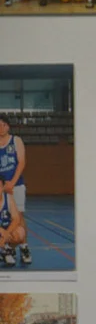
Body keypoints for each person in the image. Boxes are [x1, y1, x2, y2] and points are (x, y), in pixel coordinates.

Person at [0, 114, 30, 266]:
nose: (1, 127)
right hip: (1, 186)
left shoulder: (16, 141)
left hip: (16, 185)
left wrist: (11, 183)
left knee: (19, 217)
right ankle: (6, 248)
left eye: (3, 125)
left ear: (8, 126)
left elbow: (21, 162)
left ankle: (24, 247)